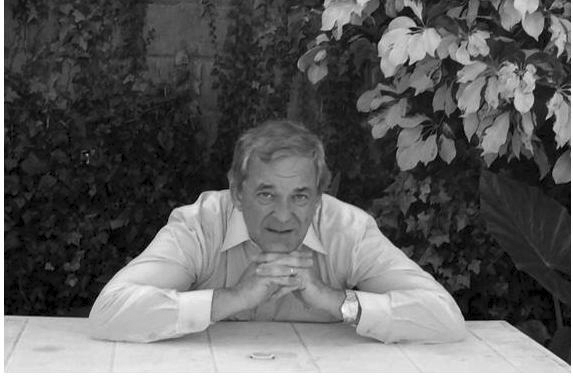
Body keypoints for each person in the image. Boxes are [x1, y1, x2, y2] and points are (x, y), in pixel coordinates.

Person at [89, 119, 466, 343]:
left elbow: (444, 318)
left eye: (300, 196)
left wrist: (336, 301)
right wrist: (232, 298)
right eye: (266, 194)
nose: (284, 216)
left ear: (318, 197)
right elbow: (108, 312)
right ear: (238, 192)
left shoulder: (347, 230)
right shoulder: (199, 225)